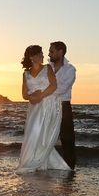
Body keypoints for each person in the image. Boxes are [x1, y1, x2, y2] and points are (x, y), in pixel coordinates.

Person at [16, 45, 71, 173]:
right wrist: (32, 97)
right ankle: (35, 161)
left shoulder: (47, 68)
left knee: (43, 134)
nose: (43, 55)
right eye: (39, 53)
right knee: (33, 133)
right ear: (31, 57)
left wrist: (40, 95)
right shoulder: (26, 74)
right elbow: (24, 94)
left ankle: (35, 162)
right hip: (34, 107)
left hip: (49, 105)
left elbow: (53, 86)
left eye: (42, 53)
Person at [48, 41, 77, 169]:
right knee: (45, 137)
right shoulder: (47, 68)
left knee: (67, 140)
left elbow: (63, 89)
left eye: (52, 51)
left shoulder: (70, 69)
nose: (49, 54)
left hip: (64, 107)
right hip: (47, 106)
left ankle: (70, 170)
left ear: (61, 52)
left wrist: (47, 90)